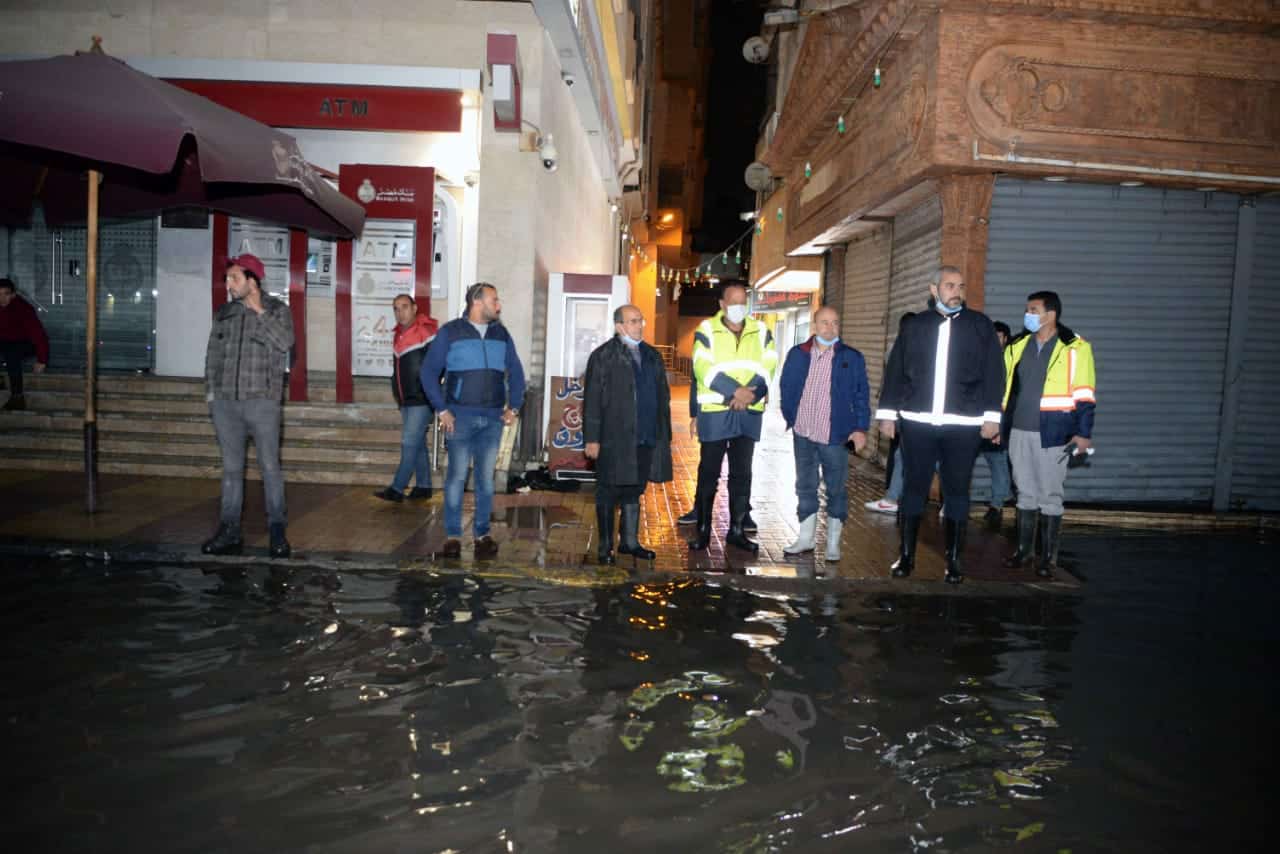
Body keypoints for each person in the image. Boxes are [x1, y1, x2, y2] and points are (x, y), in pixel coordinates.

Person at [876, 265, 1005, 584]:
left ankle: (954, 562)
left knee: (957, 491)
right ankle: (906, 557)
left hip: (963, 424)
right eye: (949, 286)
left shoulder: (980, 326)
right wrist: (888, 414)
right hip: (917, 422)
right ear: (934, 289)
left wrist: (992, 417)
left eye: (960, 286)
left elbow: (994, 372)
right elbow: (895, 372)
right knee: (914, 489)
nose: (956, 292)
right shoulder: (916, 326)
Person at [200, 254, 296, 558]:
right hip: (226, 404)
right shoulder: (224, 313)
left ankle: (277, 532)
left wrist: (259, 312)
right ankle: (229, 530)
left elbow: (285, 343)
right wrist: (212, 396)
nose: (228, 284)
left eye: (234, 278)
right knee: (231, 470)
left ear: (252, 281)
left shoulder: (278, 310)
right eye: (227, 278)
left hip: (262, 403)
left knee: (270, 468)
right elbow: (212, 355)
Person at [421, 282, 525, 560]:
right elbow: (428, 372)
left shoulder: (501, 334)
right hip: (460, 418)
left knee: (486, 481)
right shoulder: (450, 332)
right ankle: (453, 536)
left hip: (492, 419)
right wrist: (442, 410)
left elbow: (516, 371)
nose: (498, 305)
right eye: (494, 300)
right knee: (456, 478)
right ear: (477, 302)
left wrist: (514, 406)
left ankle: (482, 535)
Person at [1001, 291, 1096, 578]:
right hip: (1018, 430)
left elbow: (1085, 394)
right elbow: (1005, 388)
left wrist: (1083, 433)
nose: (1027, 315)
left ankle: (1047, 558)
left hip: (1054, 433)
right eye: (1027, 309)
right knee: (1024, 493)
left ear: (1050, 314)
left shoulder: (1075, 347)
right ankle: (1024, 551)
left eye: (1033, 310)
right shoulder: (1017, 345)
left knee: (1050, 495)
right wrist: (998, 423)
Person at [688, 282, 778, 553]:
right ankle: (703, 530)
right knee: (709, 473)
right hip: (716, 412)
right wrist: (734, 391)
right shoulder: (706, 330)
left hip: (748, 412)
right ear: (722, 304)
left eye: (743, 301)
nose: (739, 307)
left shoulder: (761, 330)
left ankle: (737, 531)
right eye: (734, 301)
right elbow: (702, 367)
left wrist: (752, 393)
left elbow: (769, 364)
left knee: (742, 474)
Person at [582, 305, 674, 564]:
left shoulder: (652, 355)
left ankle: (630, 542)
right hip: (614, 439)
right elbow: (592, 400)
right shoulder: (603, 356)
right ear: (619, 326)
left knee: (635, 489)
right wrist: (592, 439)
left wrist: (663, 434)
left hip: (646, 435)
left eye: (640, 320)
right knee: (608, 490)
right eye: (633, 321)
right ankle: (605, 547)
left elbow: (663, 397)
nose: (639, 325)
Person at [780, 306, 870, 562]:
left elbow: (861, 395)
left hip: (834, 435)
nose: (830, 328)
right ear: (814, 325)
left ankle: (832, 544)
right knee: (805, 486)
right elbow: (786, 386)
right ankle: (805, 539)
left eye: (835, 323)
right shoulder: (798, 354)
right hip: (803, 433)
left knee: (836, 489)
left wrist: (860, 428)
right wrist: (791, 416)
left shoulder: (851, 357)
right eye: (824, 322)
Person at [375, 294, 439, 503]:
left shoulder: (427, 332)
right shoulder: (399, 334)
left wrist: (432, 392)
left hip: (422, 399)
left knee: (409, 442)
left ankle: (397, 488)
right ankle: (424, 486)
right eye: (396, 308)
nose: (400, 312)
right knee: (417, 443)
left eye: (404, 307)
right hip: (405, 400)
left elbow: (440, 364)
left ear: (414, 308)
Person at [865, 312, 915, 515]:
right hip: (906, 413)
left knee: (907, 455)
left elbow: (894, 382)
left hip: (909, 413)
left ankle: (893, 497)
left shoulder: (902, 348)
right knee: (902, 454)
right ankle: (893, 496)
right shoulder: (905, 347)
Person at [978, 320, 1014, 525]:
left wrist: (1000, 424)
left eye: (998, 337)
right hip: (976, 420)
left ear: (1006, 339)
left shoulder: (1009, 360)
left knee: (997, 461)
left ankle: (997, 504)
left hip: (997, 421)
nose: (994, 340)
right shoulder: (980, 357)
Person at [0, 277, 49, 412]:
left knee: (11, 353)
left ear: (13, 295)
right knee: (8, 348)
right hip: (5, 341)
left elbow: (39, 334)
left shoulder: (23, 308)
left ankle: (17, 398)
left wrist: (42, 360)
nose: (2, 298)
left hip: (26, 343)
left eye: (6, 294)